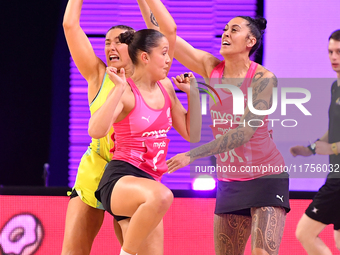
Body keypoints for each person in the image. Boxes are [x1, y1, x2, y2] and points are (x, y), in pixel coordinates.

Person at [139, 2, 290, 254]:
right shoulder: (211, 68)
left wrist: (192, 154)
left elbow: (245, 133)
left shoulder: (264, 79)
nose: (226, 34)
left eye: (234, 30)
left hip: (267, 177)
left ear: (250, 41)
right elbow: (166, 38)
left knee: (262, 252)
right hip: (230, 180)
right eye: (224, 29)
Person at [89, 10, 201, 255]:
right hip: (121, 180)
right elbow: (95, 131)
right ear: (144, 57)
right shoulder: (126, 92)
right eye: (163, 54)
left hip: (150, 185)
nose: (169, 59)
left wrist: (193, 93)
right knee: (163, 196)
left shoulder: (167, 87)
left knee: (159, 199)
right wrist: (117, 89)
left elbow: (192, 134)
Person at [292, 29, 340, 255]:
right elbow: (335, 130)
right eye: (330, 51)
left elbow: (334, 142)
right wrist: (310, 149)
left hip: (338, 182)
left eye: (339, 52)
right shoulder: (335, 87)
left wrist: (330, 149)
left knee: (304, 233)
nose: (333, 57)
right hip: (335, 175)